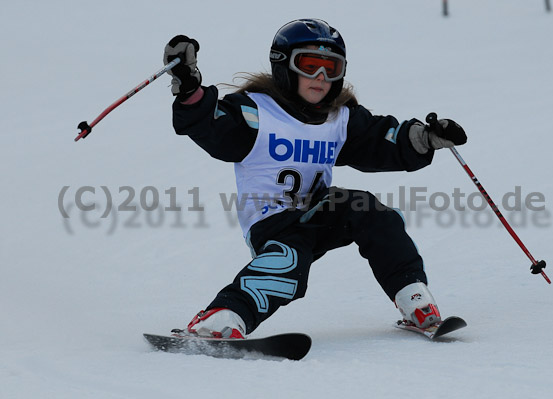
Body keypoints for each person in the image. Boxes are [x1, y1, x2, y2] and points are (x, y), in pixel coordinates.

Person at [163, 18, 467, 339]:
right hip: (273, 222)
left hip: (319, 212)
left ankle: (415, 301)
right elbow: (211, 127)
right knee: (288, 265)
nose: (320, 78)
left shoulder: (338, 118)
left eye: (331, 68)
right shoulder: (257, 112)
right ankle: (222, 318)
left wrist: (425, 137)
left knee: (372, 212)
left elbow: (379, 139)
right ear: (284, 65)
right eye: (309, 65)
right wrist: (188, 87)